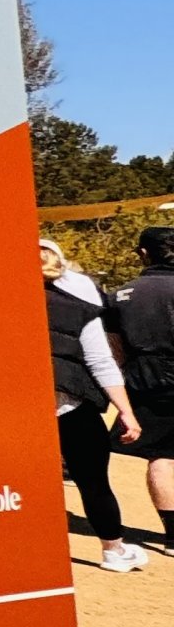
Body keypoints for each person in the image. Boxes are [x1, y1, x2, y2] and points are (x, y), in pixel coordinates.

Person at [43, 237, 145, 573]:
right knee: (94, 482)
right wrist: (126, 411)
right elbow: (101, 361)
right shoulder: (79, 306)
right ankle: (113, 550)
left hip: (14, 410)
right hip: (71, 404)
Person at [114, 225, 174, 544]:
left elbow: (112, 350)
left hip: (147, 381)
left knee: (162, 456)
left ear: (143, 253)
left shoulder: (122, 295)